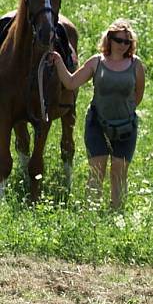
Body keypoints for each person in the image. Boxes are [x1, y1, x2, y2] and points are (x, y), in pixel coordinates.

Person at [49, 19, 145, 209]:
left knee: (119, 173)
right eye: (119, 40)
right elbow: (70, 83)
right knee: (97, 171)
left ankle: (115, 216)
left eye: (127, 42)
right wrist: (59, 61)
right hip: (97, 124)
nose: (123, 45)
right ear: (109, 39)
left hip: (126, 127)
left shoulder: (136, 65)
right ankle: (91, 216)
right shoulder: (96, 62)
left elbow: (138, 95)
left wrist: (122, 110)